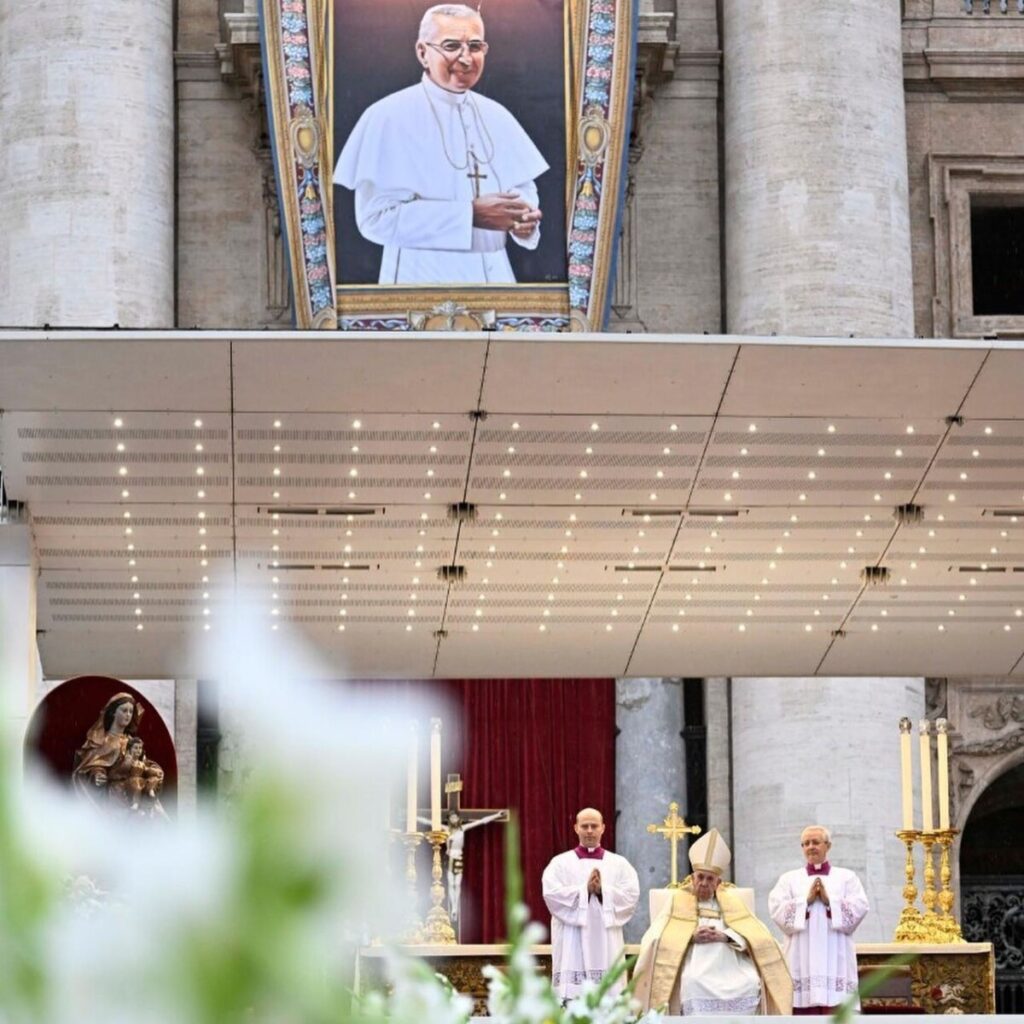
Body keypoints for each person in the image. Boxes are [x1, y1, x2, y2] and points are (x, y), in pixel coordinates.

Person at [334, 3, 548, 285]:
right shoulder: (387, 116)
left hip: (497, 282)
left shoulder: (498, 115)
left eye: (475, 46)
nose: (466, 58)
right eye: (451, 46)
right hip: (418, 280)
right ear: (423, 52)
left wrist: (523, 222)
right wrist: (470, 215)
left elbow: (523, 190)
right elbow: (374, 219)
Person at [633, 828, 792, 1016]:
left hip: (731, 963)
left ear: (718, 883)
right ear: (692, 878)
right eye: (700, 877)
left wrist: (726, 936)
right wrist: (690, 937)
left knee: (750, 983)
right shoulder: (677, 901)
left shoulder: (733, 902)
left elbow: (759, 936)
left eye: (710, 879)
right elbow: (655, 935)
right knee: (692, 982)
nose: (704, 883)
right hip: (694, 961)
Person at [768, 825, 869, 1015]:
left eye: (815, 842)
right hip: (800, 955)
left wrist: (829, 901)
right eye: (806, 843)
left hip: (836, 954)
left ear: (828, 846)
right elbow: (777, 911)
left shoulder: (846, 877)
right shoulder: (788, 879)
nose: (810, 847)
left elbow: (860, 908)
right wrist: (805, 901)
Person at [541, 807, 639, 1003]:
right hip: (572, 940)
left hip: (607, 941)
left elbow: (631, 896)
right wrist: (584, 890)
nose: (589, 831)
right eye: (584, 826)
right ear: (576, 828)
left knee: (608, 999)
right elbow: (551, 894)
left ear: (603, 828)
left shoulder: (619, 864)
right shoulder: (560, 863)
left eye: (594, 826)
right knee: (573, 1000)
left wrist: (603, 891)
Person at [72, 693, 141, 806]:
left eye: (131, 711)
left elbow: (143, 763)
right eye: (124, 710)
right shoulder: (102, 740)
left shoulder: (131, 741)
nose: (128, 715)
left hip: (131, 793)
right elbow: (90, 766)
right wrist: (97, 774)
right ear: (113, 712)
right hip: (111, 796)